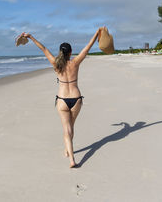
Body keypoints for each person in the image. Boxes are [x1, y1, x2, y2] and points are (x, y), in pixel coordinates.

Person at [21, 28, 102, 168]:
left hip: (62, 100)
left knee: (66, 129)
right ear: (70, 52)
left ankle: (71, 159)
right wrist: (97, 33)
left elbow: (44, 49)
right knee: (71, 126)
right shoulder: (75, 62)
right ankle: (67, 150)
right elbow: (88, 46)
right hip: (76, 99)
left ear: (60, 52)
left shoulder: (55, 63)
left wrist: (31, 37)